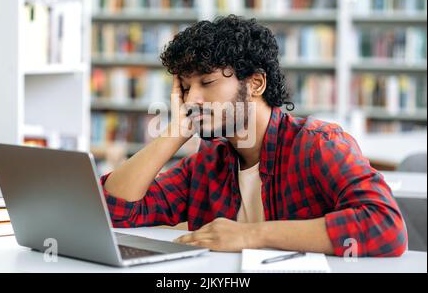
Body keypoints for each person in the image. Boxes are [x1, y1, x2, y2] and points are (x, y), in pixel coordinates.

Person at [101, 15, 407, 257]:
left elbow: (385, 226)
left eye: (206, 82)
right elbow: (114, 210)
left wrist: (252, 234)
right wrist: (174, 134)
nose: (191, 99)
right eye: (184, 87)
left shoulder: (318, 144)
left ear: (256, 84)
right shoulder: (208, 163)